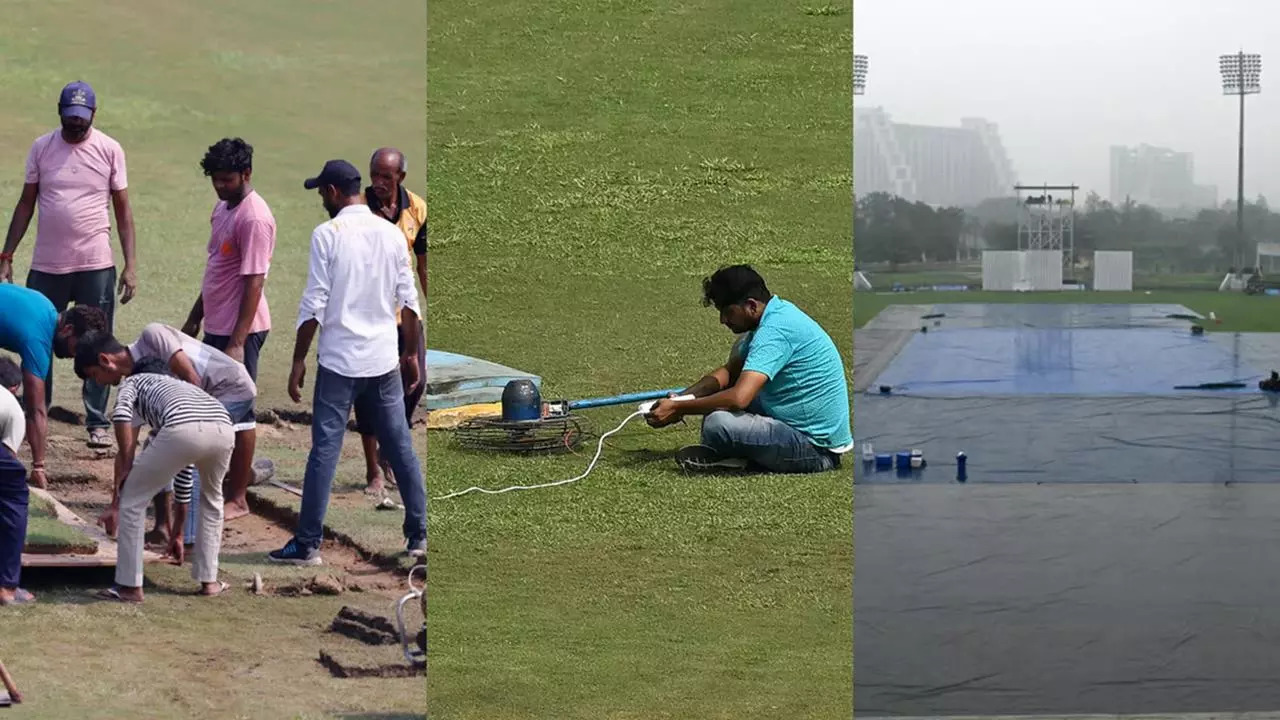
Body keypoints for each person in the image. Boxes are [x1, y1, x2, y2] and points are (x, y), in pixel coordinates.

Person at [268, 159, 425, 566]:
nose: (322, 199)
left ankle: (307, 545)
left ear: (335, 192)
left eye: (322, 192)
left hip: (339, 362)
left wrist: (298, 360)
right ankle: (419, 535)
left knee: (325, 451)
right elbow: (409, 301)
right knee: (401, 445)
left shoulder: (328, 234)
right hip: (382, 359)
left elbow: (314, 303)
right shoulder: (390, 235)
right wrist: (410, 353)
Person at [0, 80, 139, 450]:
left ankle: (96, 420)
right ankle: (36, 412)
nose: (75, 126)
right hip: (48, 264)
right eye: (69, 119)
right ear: (59, 112)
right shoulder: (42, 147)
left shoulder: (110, 149)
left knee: (97, 340)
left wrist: (130, 265)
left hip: (95, 263)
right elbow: (26, 203)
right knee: (39, 340)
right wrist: (7, 254)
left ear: (94, 114)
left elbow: (123, 210)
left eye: (82, 119)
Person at [645, 265, 852, 473]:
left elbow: (739, 398)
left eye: (727, 312)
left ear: (751, 306)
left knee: (718, 423)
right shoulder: (775, 314)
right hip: (794, 424)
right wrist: (681, 398)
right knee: (733, 367)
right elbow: (728, 373)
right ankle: (738, 456)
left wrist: (679, 409)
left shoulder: (775, 332)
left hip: (816, 450)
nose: (723, 320)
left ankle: (738, 462)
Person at [73, 325, 257, 543]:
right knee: (155, 449)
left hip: (230, 388)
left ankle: (189, 540)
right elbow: (126, 452)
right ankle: (162, 528)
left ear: (105, 360)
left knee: (192, 452)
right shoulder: (133, 388)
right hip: (197, 404)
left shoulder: (152, 336)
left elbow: (193, 379)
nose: (99, 383)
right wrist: (116, 505)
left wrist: (188, 431)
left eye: (95, 375)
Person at [181, 137, 276, 520]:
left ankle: (238, 496)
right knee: (212, 405)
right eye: (215, 180)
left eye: (227, 180)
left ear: (246, 174)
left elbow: (255, 281)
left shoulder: (254, 217)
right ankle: (222, 481)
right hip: (218, 323)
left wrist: (237, 342)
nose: (220, 186)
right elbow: (216, 271)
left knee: (240, 412)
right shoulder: (224, 208)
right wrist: (195, 316)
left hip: (242, 330)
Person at [92, 360, 234, 603]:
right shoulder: (183, 389)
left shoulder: (135, 381)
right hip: (224, 426)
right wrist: (177, 533)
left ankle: (129, 586)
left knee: (132, 499)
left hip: (184, 427)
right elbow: (184, 474)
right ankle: (209, 581)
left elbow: (122, 413)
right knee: (212, 500)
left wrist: (127, 467)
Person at [355, 147, 428, 494]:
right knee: (369, 394)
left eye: (386, 176)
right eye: (374, 175)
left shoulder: (417, 208)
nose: (379, 183)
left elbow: (423, 264)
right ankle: (374, 472)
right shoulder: (358, 209)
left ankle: (388, 453)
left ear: (401, 176)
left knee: (415, 382)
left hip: (407, 314)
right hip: (369, 316)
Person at [0, 284, 108, 488]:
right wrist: (38, 467)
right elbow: (36, 410)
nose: (74, 355)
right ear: (67, 329)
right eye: (77, 347)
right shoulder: (38, 339)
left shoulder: (45, 305)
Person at [0, 356, 34, 605]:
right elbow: (8, 458)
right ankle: (7, 588)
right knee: (14, 498)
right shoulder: (11, 404)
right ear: (15, 388)